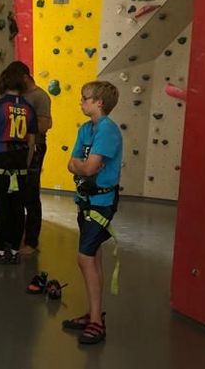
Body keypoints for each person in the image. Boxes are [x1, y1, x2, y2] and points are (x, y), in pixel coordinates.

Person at [63, 81, 122, 345]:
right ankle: (94, 313)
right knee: (94, 256)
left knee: (85, 258)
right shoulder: (86, 129)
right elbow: (73, 164)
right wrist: (82, 166)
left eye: (85, 99)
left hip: (101, 202)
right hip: (85, 200)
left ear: (99, 102)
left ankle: (97, 320)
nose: (81, 102)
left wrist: (82, 166)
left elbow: (88, 168)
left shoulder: (108, 130)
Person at [0, 65, 37, 265]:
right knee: (18, 207)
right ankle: (14, 250)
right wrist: (26, 164)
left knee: (1, 206)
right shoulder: (29, 109)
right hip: (21, 161)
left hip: (1, 160)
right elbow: (31, 143)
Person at [4, 61, 52, 254]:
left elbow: (45, 124)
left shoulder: (40, 96)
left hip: (35, 147)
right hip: (16, 148)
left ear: (25, 78)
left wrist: (19, 124)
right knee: (13, 193)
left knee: (30, 193)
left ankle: (31, 241)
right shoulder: (19, 95)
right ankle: (12, 238)